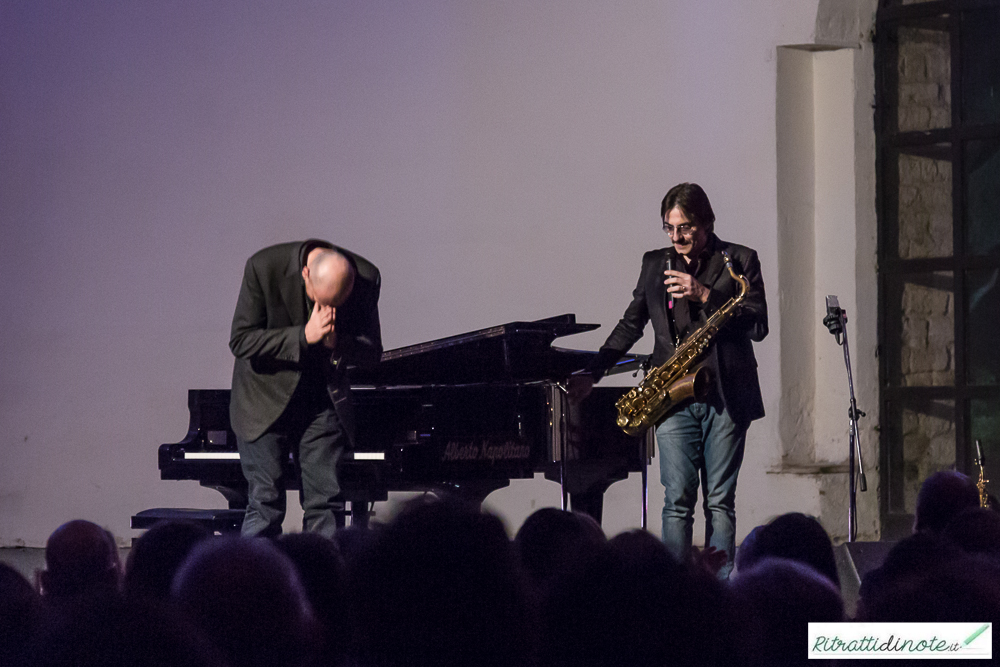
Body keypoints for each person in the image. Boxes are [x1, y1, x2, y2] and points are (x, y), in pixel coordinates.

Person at [569, 183, 767, 579]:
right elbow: (631, 324)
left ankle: (720, 590)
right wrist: (594, 372)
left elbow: (758, 325)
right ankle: (672, 591)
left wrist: (704, 293)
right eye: (669, 228)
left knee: (719, 501)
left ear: (706, 222)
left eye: (686, 228)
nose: (677, 238)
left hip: (726, 395)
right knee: (676, 500)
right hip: (671, 395)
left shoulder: (740, 260)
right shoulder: (655, 263)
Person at [230, 240, 382, 537]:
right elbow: (241, 341)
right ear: (305, 274)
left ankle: (324, 577)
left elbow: (371, 353)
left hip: (321, 399)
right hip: (264, 396)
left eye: (337, 304)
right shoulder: (263, 267)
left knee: (326, 504)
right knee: (265, 505)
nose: (327, 310)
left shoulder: (365, 277)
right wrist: (303, 336)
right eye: (320, 300)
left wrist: (339, 343)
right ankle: (254, 578)